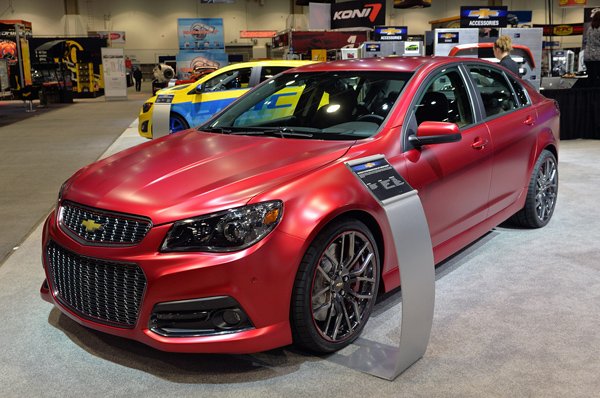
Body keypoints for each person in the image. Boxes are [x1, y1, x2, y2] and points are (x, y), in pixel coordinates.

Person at [584, 11, 600, 87]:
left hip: (588, 57)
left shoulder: (590, 28)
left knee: (590, 78)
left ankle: (589, 97)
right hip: (597, 57)